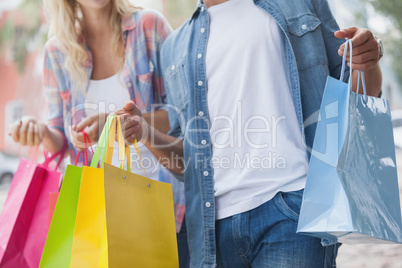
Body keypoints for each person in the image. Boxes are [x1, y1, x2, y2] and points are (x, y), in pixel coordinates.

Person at [115, 0, 383, 267]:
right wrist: (145, 132)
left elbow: (360, 98)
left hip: (293, 210)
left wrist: (367, 62)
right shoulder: (175, 47)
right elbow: (187, 164)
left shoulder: (300, 4)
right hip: (213, 232)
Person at [7, 0, 189, 266]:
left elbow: (181, 114)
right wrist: (42, 131)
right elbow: (60, 139)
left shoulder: (150, 26)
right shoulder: (57, 51)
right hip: (98, 220)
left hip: (165, 208)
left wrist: (115, 122)